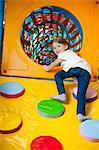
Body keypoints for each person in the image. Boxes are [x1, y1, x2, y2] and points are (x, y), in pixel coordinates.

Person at [43, 37, 92, 122]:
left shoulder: (64, 53)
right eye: (54, 48)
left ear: (65, 46)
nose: (56, 49)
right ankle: (81, 114)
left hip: (77, 69)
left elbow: (56, 63)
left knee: (58, 75)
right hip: (87, 71)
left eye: (58, 46)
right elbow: (76, 70)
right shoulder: (72, 54)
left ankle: (62, 94)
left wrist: (48, 68)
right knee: (81, 94)